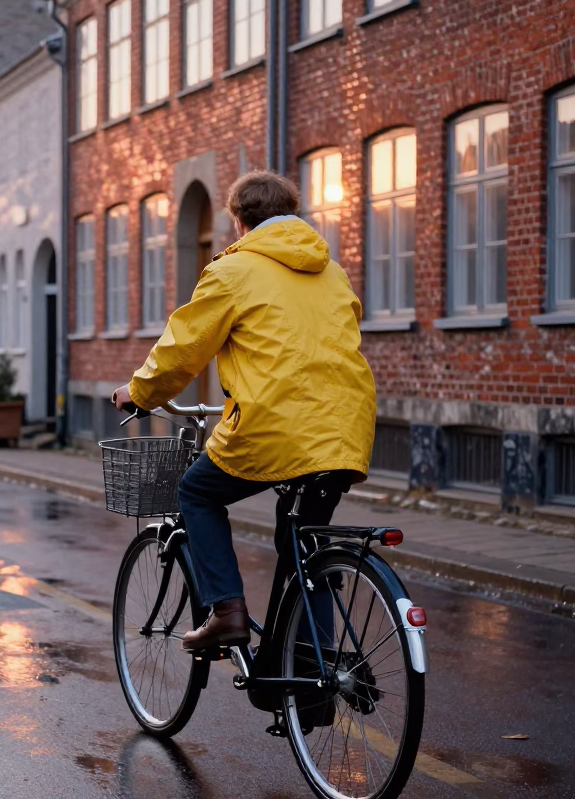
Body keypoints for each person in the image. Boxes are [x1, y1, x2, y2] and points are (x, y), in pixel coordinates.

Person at [113, 171, 377, 652]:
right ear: (292, 215)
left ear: (238, 221)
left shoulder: (232, 271)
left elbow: (183, 349)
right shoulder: (332, 270)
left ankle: (226, 611)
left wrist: (140, 392)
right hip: (346, 428)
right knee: (305, 543)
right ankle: (311, 672)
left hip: (275, 425)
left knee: (195, 491)